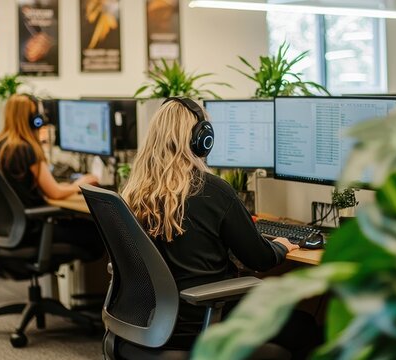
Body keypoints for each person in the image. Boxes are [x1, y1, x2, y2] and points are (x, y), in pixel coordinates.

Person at [120, 98, 321, 358]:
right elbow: (259, 259)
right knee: (305, 327)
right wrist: (281, 246)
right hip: (202, 319)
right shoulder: (211, 190)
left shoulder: (135, 191)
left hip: (151, 319)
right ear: (201, 140)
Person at [0, 94, 102, 259]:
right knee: (98, 233)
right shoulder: (27, 149)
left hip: (14, 229)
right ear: (33, 121)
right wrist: (81, 183)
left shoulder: (0, 146)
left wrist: (67, 186)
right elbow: (54, 193)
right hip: (33, 230)